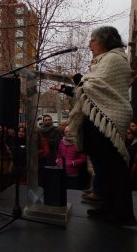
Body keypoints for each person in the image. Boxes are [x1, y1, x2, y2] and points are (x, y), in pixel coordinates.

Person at [56, 26, 136, 225]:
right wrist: (69, 86)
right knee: (102, 168)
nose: (89, 45)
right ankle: (108, 206)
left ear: (104, 41)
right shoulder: (102, 61)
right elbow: (90, 90)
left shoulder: (114, 59)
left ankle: (123, 213)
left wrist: (76, 81)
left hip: (109, 119)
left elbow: (94, 88)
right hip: (98, 118)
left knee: (113, 167)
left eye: (92, 40)